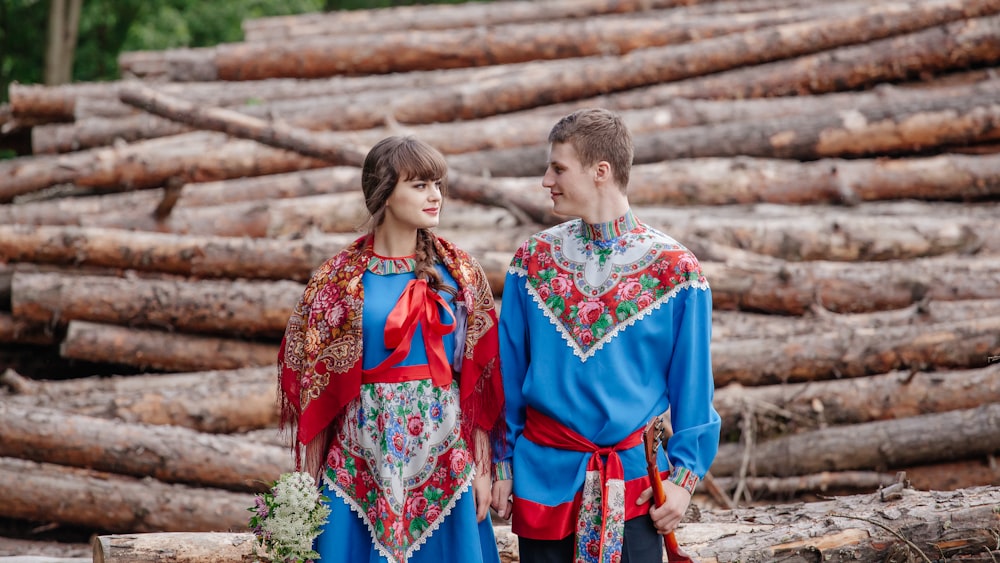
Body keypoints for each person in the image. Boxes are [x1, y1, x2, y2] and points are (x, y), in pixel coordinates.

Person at [490, 108, 721, 563]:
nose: (545, 180)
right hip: (544, 476)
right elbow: (508, 372)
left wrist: (684, 480)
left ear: (601, 171)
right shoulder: (532, 262)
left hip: (634, 483)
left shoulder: (677, 272)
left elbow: (693, 384)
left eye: (558, 168)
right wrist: (503, 463)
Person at [277, 136, 506, 563]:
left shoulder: (461, 272)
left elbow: (481, 381)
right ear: (383, 192)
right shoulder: (337, 281)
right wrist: (305, 485)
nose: (435, 195)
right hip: (361, 457)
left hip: (445, 458)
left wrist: (483, 468)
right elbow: (316, 387)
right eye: (419, 185)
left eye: (437, 184)